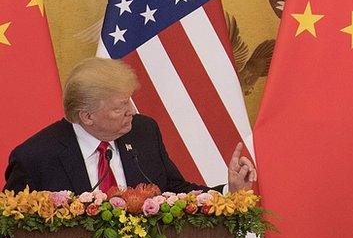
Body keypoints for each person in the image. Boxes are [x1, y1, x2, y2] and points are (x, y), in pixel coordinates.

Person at [4, 57, 256, 194]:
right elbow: (10, 229)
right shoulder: (35, 157)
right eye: (119, 107)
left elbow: (172, 191)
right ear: (87, 116)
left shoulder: (144, 132)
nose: (131, 112)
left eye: (129, 102)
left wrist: (228, 191)